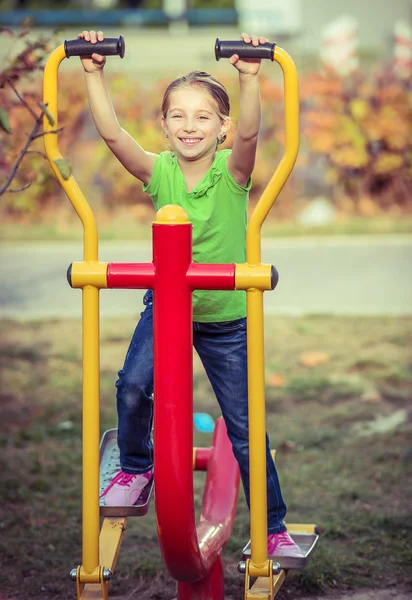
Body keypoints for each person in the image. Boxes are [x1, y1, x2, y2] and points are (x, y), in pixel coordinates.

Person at [78, 29, 303, 558]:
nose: (189, 126)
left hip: (226, 318)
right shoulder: (160, 173)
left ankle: (272, 528)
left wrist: (250, 79)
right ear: (163, 125)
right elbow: (113, 137)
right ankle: (136, 467)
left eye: (203, 117)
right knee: (132, 388)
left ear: (221, 128)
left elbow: (250, 136)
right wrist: (93, 73)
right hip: (169, 309)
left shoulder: (233, 175)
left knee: (247, 429)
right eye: (178, 115)